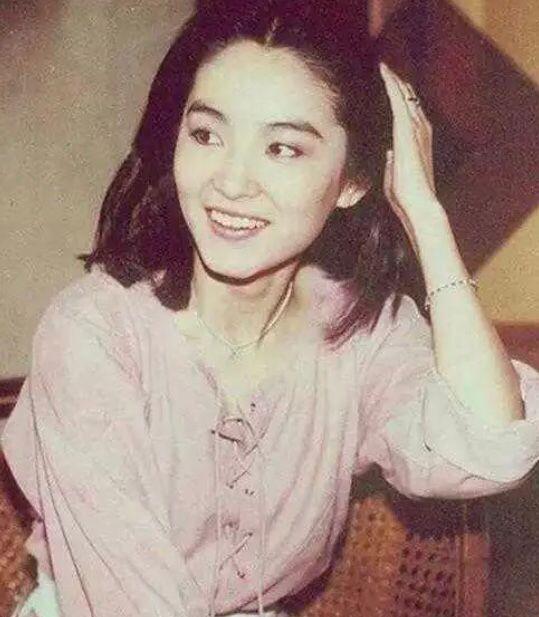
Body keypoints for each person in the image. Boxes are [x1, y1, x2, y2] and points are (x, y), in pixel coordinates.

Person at [3, 1, 539, 616]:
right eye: (206, 135)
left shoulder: (361, 333)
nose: (231, 183)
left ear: (353, 181)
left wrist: (423, 211)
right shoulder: (94, 334)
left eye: (282, 148)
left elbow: (488, 450)